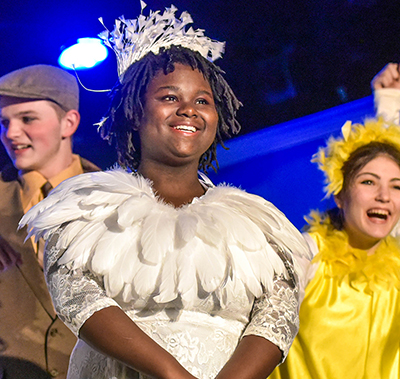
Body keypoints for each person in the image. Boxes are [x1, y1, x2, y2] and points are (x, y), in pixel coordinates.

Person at [20, 4, 311, 379]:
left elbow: (278, 316)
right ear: (133, 111)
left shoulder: (258, 223)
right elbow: (78, 299)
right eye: (170, 97)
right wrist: (173, 375)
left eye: (202, 101)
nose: (188, 110)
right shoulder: (86, 209)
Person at [270, 118, 400, 379]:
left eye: (397, 186)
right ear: (339, 195)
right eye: (368, 182)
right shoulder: (305, 254)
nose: (384, 196)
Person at [0, 64, 100, 378]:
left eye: (27, 118)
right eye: (4, 122)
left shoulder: (123, 200)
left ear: (68, 122)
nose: (11, 133)